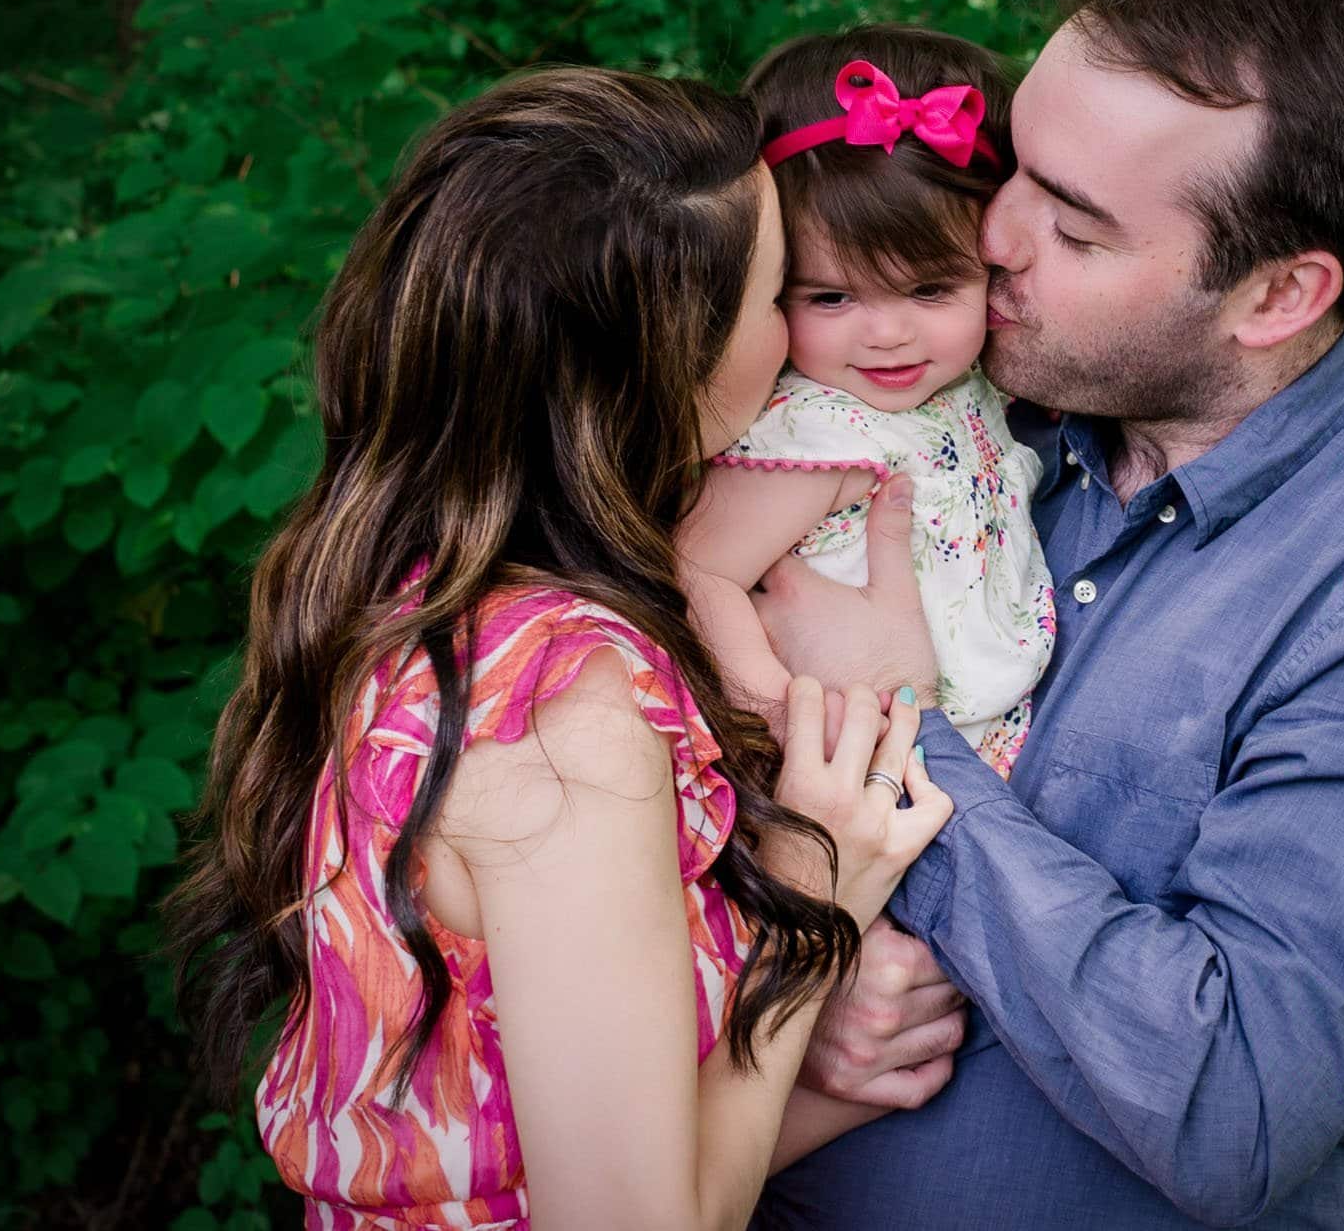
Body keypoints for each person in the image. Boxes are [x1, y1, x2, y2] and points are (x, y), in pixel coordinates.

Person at [752, 0, 1344, 1229]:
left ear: (1276, 295)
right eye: (1017, 168)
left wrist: (900, 740)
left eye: (1079, 228)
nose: (991, 237)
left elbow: (1235, 1100)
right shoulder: (932, 404)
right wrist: (776, 1007)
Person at [164, 67, 951, 1231]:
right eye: (785, 293)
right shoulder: (562, 713)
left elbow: (513, 1150)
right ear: (676, 363)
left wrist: (828, 1083)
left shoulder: (409, 587)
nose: (802, 335)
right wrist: (813, 903)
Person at [680, 25, 1055, 779]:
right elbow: (695, 569)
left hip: (987, 740)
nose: (888, 334)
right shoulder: (818, 431)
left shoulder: (973, 380)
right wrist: (775, 708)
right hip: (857, 754)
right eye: (831, 295)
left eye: (930, 288)